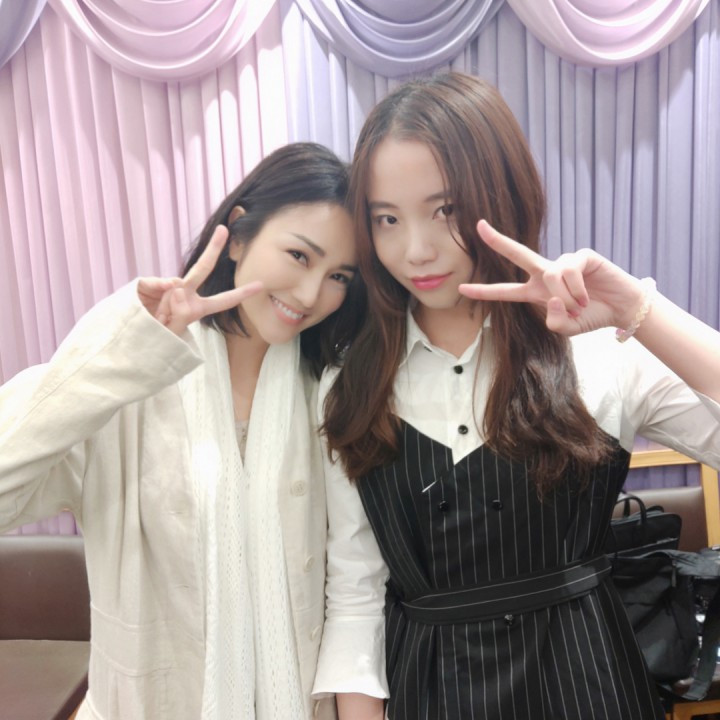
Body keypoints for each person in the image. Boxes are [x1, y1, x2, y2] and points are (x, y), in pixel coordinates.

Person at [311, 73, 720, 720]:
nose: (415, 250)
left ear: (501, 194)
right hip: (432, 696)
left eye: (445, 210)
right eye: (387, 219)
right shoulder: (351, 384)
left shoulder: (597, 352)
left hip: (589, 692)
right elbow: (357, 594)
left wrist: (639, 311)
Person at [0, 142, 365, 720]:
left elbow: (356, 587)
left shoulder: (328, 393)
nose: (310, 294)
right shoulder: (132, 386)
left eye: (338, 275)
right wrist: (124, 353)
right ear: (237, 235)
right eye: (299, 255)